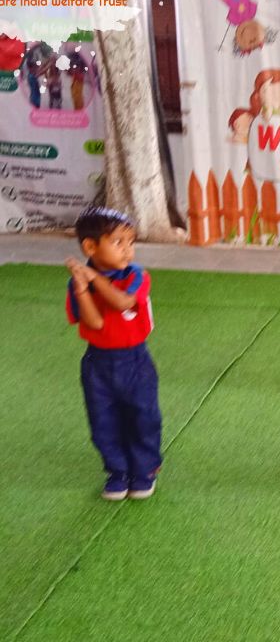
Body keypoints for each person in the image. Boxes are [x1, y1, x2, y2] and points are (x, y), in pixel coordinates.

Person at [65, 207, 162, 501]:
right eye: (118, 242)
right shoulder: (78, 282)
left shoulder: (136, 275)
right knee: (103, 421)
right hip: (98, 363)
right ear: (90, 247)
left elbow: (122, 303)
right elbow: (94, 322)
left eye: (130, 243)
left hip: (135, 360)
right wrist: (82, 287)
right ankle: (118, 471)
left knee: (143, 416)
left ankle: (144, 470)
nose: (127, 251)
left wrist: (93, 279)